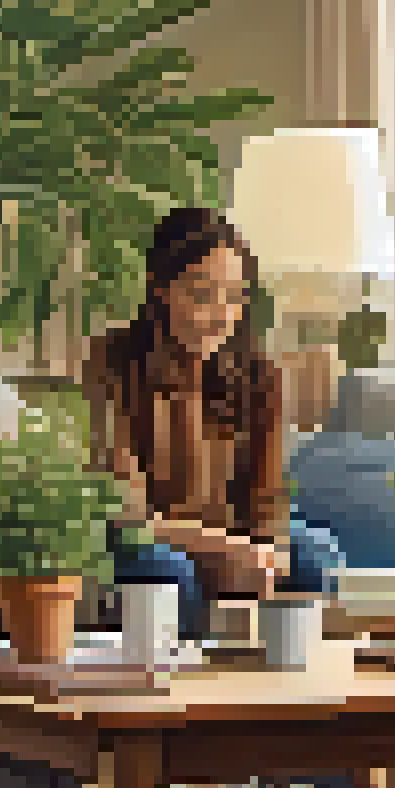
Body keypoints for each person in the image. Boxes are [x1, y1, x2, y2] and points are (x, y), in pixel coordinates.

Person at [86, 206, 346, 632]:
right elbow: (127, 517)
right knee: (165, 569)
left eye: (234, 296)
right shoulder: (112, 362)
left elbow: (267, 502)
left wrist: (258, 549)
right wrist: (226, 548)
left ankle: (293, 686)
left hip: (231, 538)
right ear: (161, 289)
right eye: (203, 294)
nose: (222, 313)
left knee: (314, 551)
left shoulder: (260, 375)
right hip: (150, 540)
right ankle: (178, 689)